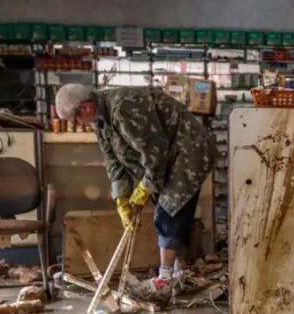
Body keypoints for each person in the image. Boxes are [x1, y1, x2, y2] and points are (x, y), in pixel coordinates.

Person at [54, 83, 218, 291]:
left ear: (84, 108)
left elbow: (155, 152)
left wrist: (144, 188)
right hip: (167, 158)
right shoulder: (100, 121)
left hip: (188, 150)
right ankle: (178, 270)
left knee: (168, 209)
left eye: (75, 120)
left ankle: (165, 279)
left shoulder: (124, 107)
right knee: (165, 205)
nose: (78, 125)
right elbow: (113, 161)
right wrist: (121, 199)